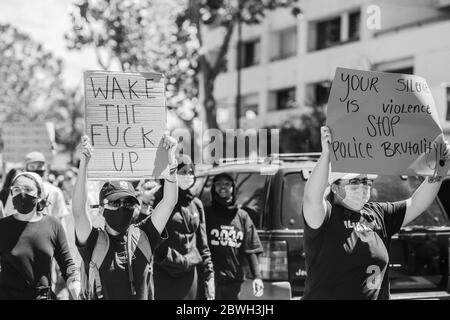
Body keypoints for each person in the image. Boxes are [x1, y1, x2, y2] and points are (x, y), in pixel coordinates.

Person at [302, 126, 450, 300]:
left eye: (366, 181)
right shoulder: (325, 216)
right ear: (335, 187)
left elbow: (416, 204)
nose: (363, 186)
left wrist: (439, 170)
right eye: (355, 181)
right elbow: (312, 197)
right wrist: (326, 155)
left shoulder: (378, 214)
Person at [72, 134, 178, 300]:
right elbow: (79, 212)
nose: (122, 207)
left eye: (128, 203)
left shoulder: (145, 234)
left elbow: (169, 201)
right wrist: (84, 162)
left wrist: (171, 161)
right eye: (115, 203)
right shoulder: (93, 241)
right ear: (101, 209)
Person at [0, 172, 80, 300]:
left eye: (28, 189)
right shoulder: (2, 227)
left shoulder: (53, 225)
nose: (22, 193)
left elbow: (67, 265)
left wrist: (76, 285)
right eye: (16, 189)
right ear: (11, 194)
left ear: (39, 195)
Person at [150, 156, 215, 300]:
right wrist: (166, 257)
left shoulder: (196, 203)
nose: (188, 176)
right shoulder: (158, 199)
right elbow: (150, 237)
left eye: (191, 172)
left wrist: (209, 274)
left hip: (190, 275)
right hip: (164, 272)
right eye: (183, 171)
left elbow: (203, 244)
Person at [205, 173, 264, 300]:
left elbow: (251, 249)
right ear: (213, 188)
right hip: (210, 280)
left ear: (233, 188)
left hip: (234, 281)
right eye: (219, 184)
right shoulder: (206, 214)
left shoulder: (242, 216)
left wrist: (257, 277)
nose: (223, 187)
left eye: (227, 184)